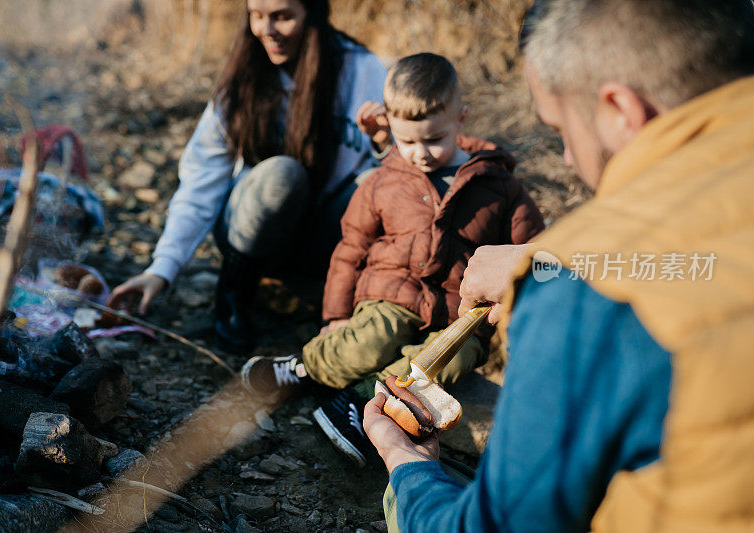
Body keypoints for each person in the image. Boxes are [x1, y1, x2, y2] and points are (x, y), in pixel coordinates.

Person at [363, 0, 754, 531]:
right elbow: (699, 267)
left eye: (561, 128)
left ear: (620, 110)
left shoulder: (586, 299)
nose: (568, 157)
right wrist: (538, 262)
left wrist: (408, 466)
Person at [240, 53, 544, 467]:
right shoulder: (385, 179)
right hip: (391, 294)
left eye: (433, 139)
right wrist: (335, 314)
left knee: (447, 360)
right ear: (391, 131)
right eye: (407, 141)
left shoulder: (499, 186)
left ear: (462, 118)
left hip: (460, 315)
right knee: (371, 335)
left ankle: (362, 403)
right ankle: (303, 368)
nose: (420, 153)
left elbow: (531, 247)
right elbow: (351, 249)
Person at [108, 0, 388, 353]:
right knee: (283, 174)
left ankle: (352, 307)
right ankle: (234, 293)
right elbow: (201, 177)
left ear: (312, 15)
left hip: (325, 238)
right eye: (257, 16)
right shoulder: (246, 74)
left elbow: (399, 169)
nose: (266, 30)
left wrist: (383, 144)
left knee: (375, 186)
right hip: (251, 229)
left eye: (282, 17)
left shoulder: (361, 69)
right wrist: (162, 268)